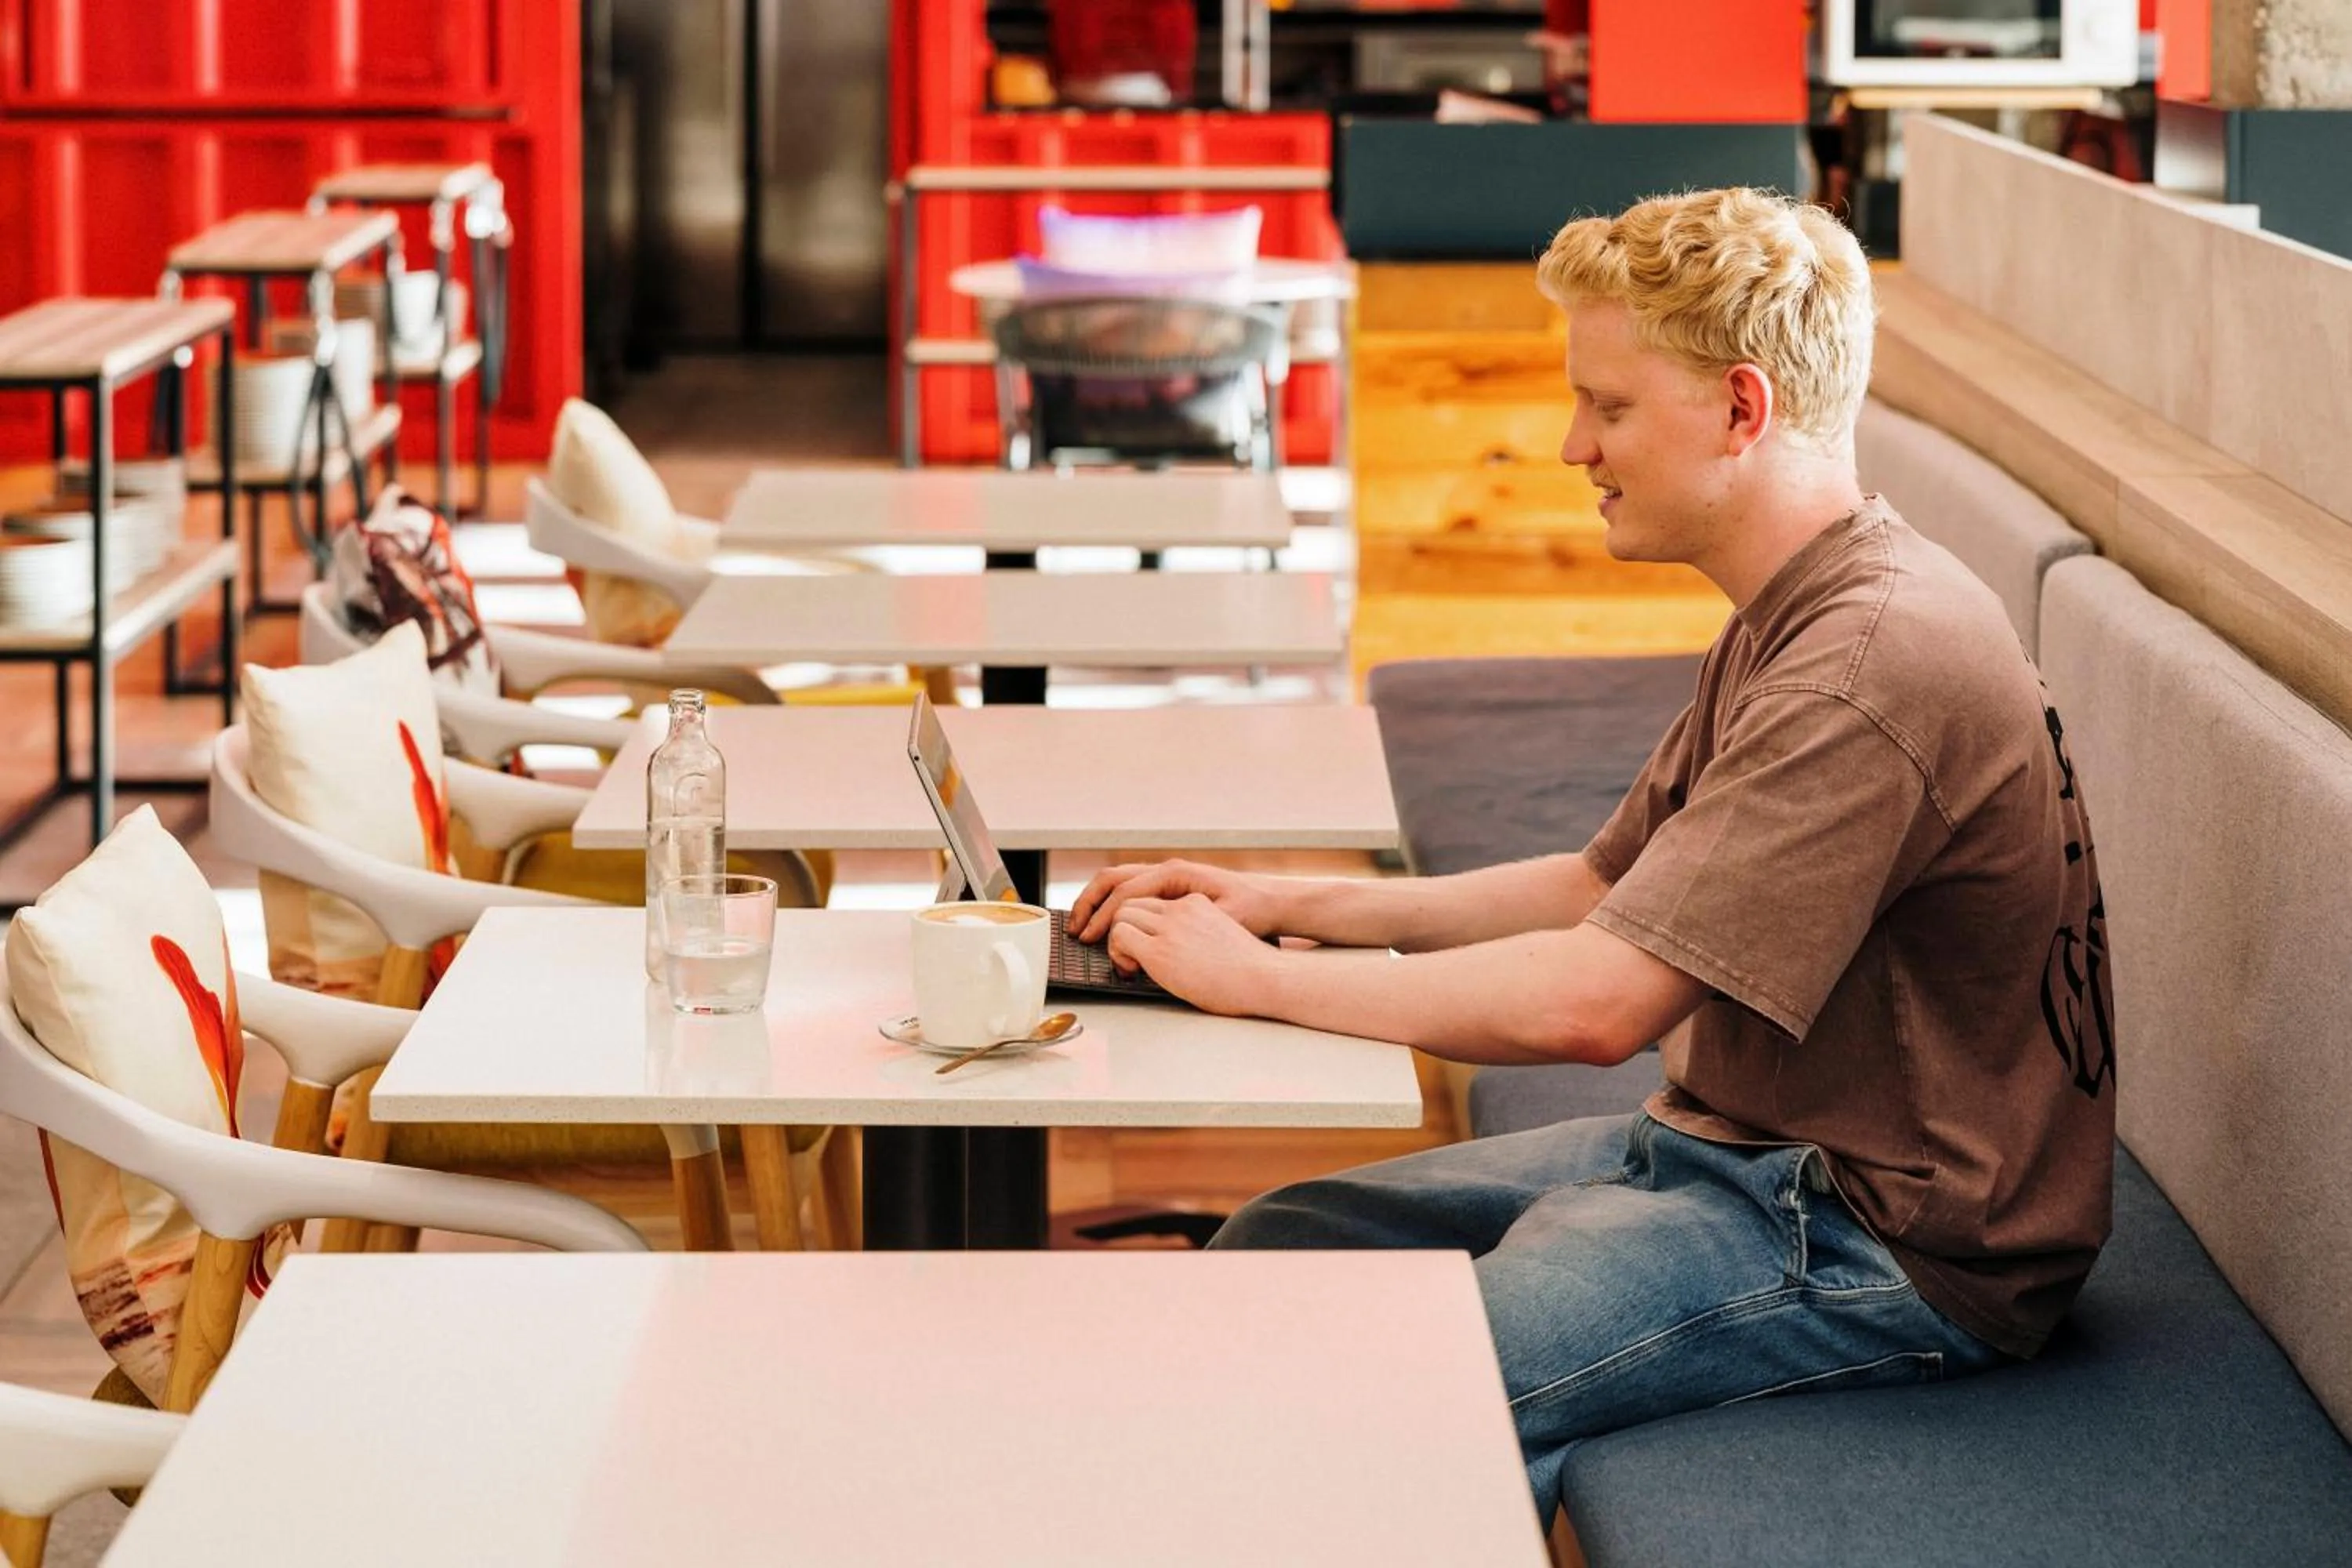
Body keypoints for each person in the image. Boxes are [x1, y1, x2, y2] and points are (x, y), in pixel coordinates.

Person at [1068, 187, 2117, 1511]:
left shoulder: (1866, 667)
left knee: (1363, 1393)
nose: (1574, 446)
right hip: (1744, 1149)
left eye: (1609, 408)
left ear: (1743, 411)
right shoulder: (1808, 599)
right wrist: (1281, 900)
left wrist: (1261, 978)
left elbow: (1593, 1003)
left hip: (1882, 1238)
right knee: (1291, 1239)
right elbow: (1600, 886)